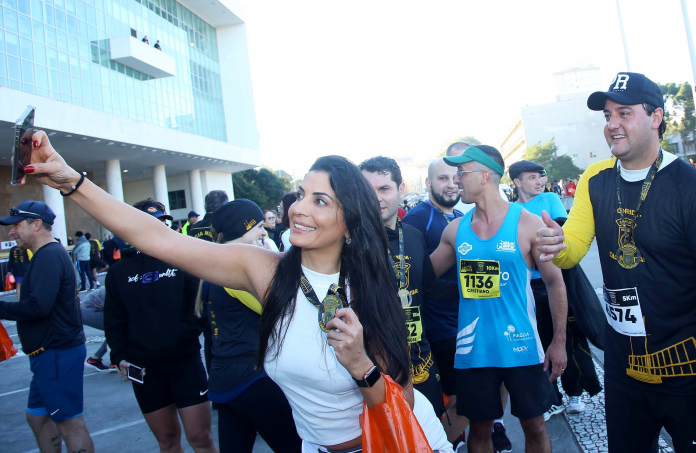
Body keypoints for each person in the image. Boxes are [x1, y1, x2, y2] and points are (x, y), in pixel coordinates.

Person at [25, 140, 450, 453]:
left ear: (350, 223)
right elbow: (157, 237)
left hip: (395, 443)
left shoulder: (372, 291)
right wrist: (71, 182)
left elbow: (403, 402)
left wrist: (359, 363)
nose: (299, 208)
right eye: (301, 194)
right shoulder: (266, 272)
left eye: (320, 201)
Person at [536, 72, 696, 453]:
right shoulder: (595, 179)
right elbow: (574, 248)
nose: (612, 124)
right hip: (624, 369)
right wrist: (553, 243)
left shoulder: (695, 189)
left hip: (686, 371)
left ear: (656, 117)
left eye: (624, 113)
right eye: (608, 115)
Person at [430, 145, 569, 453]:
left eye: (461, 174)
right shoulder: (455, 230)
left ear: (485, 175)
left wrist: (558, 342)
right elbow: (424, 277)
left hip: (522, 349)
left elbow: (555, 284)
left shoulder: (528, 223)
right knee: (479, 431)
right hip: (473, 350)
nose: (455, 181)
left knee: (534, 427)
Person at [104, 199, 216, 453]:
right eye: (148, 223)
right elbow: (114, 321)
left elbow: (198, 310)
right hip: (145, 371)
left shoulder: (182, 261)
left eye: (161, 222)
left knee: (200, 438)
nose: (157, 227)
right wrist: (120, 356)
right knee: (167, 440)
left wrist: (179, 339)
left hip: (185, 364)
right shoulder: (118, 272)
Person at [204, 199, 301, 453]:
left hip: (226, 380)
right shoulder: (233, 268)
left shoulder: (216, 263)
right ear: (241, 229)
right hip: (252, 378)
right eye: (258, 226)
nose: (264, 231)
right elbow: (280, 309)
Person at [0, 201, 95, 453]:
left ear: (37, 224)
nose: (11, 232)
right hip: (48, 354)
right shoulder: (46, 255)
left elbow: (38, 307)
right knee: (38, 417)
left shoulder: (50, 255)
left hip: (56, 353)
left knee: (70, 423)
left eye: (17, 226)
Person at [510, 159, 602, 417]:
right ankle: (553, 398)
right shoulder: (512, 211)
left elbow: (564, 230)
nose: (539, 181)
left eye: (540, 176)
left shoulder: (550, 199)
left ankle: (574, 392)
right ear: (516, 182)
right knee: (540, 342)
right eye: (531, 177)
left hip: (560, 281)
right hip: (531, 287)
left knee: (569, 340)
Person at [360, 156, 446, 418]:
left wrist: (477, 283)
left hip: (420, 359)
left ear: (401, 190)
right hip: (374, 369)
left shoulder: (412, 235)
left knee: (432, 431)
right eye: (368, 190)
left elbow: (430, 290)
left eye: (384, 189)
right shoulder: (349, 244)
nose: (376, 198)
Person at [402, 158, 479, 450]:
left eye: (454, 178)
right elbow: (416, 282)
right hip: (440, 329)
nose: (450, 184)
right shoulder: (417, 219)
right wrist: (465, 290)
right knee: (458, 398)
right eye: (442, 179)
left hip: (466, 322)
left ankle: (455, 440)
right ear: (428, 183)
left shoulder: (459, 215)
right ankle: (440, 443)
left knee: (470, 394)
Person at [81, 287, 114, 371]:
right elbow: (113, 309)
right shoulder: (116, 287)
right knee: (117, 328)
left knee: (117, 329)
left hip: (91, 309)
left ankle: (94, 359)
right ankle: (115, 362)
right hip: (88, 311)